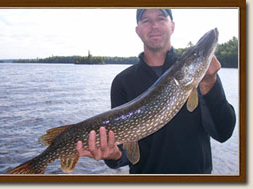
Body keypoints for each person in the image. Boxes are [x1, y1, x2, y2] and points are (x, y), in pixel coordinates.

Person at [76, 9, 236, 174]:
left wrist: (210, 83)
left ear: (172, 26)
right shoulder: (122, 82)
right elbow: (125, 153)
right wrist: (114, 156)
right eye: (146, 20)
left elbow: (223, 132)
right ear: (137, 30)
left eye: (160, 19)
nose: (154, 26)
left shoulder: (203, 75)